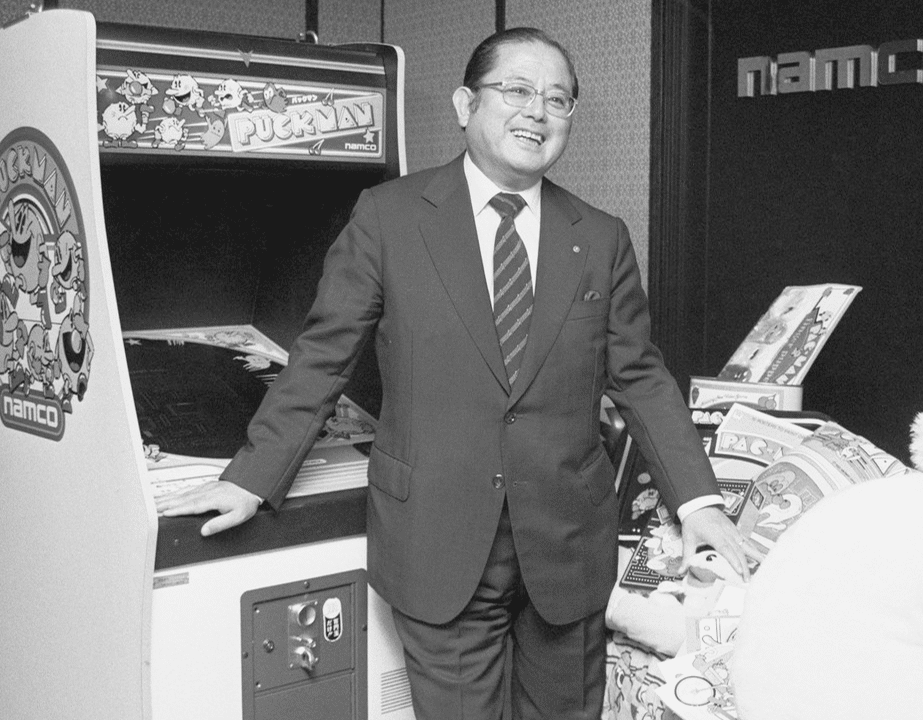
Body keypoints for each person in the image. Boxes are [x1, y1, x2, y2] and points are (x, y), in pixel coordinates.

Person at [157, 26, 747, 720]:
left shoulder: (600, 235)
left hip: (566, 546)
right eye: (517, 90)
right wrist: (252, 477)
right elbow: (323, 357)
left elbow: (641, 375)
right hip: (436, 539)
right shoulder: (389, 217)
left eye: (558, 100)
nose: (538, 111)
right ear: (466, 104)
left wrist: (697, 501)